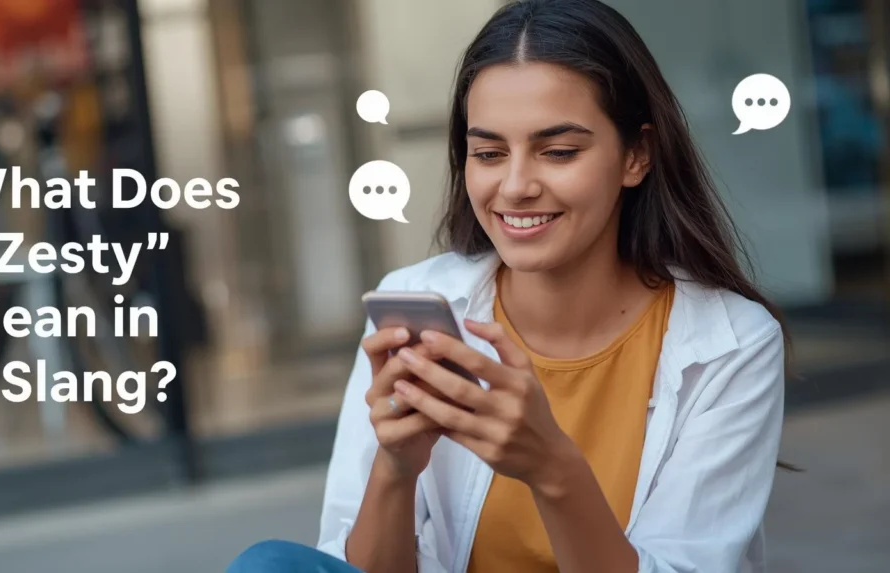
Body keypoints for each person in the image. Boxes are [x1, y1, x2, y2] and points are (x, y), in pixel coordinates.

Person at [227, 0, 789, 571]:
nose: (516, 186)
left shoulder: (732, 344)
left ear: (636, 155)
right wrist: (395, 467)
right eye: (489, 153)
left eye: (559, 152)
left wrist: (551, 467)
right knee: (268, 564)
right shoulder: (422, 306)